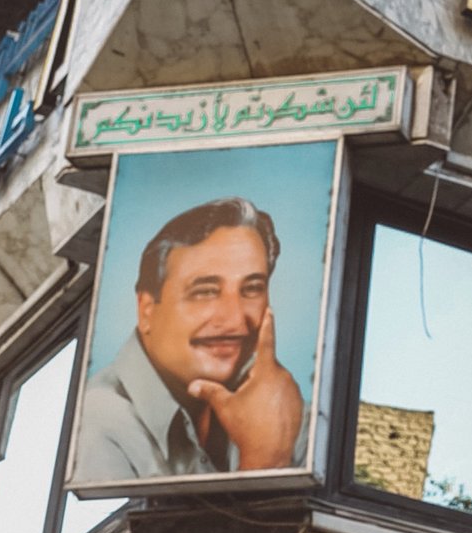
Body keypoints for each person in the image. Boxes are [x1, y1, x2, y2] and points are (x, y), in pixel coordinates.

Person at [72, 196, 304, 481]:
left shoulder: (276, 400)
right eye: (205, 291)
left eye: (252, 288)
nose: (235, 320)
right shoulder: (99, 423)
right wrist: (267, 461)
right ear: (146, 310)